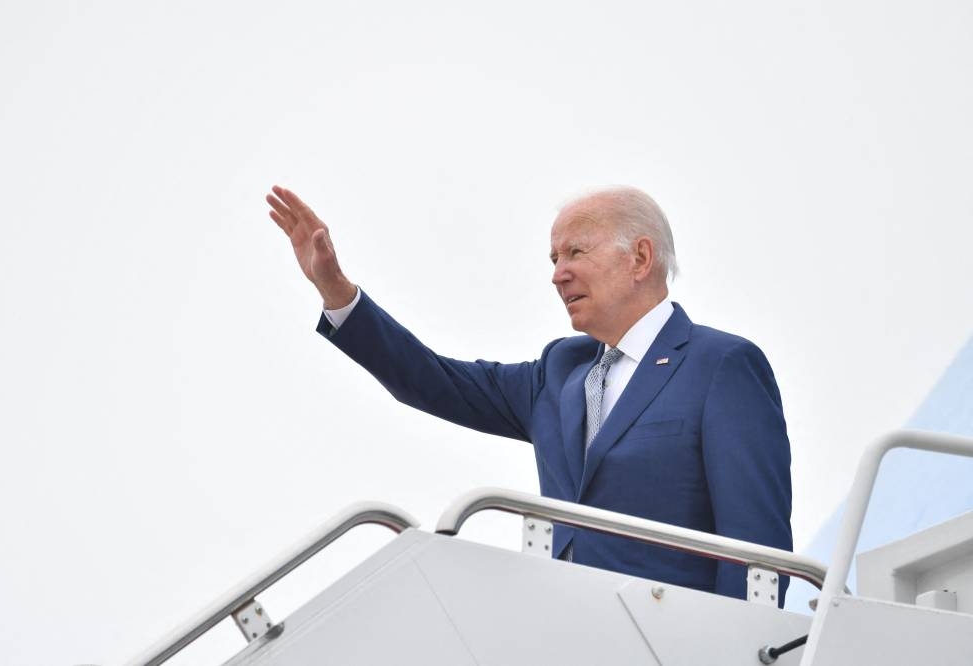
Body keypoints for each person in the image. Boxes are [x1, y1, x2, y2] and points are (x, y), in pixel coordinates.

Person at [266, 184, 793, 604]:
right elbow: (432, 380)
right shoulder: (559, 371)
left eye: (575, 252)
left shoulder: (720, 365)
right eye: (553, 258)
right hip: (562, 633)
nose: (558, 274)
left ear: (640, 257)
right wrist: (336, 291)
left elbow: (756, 549)